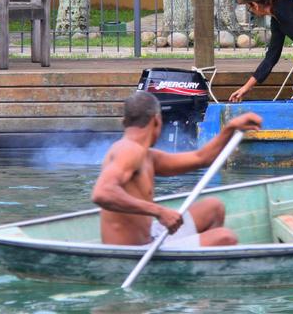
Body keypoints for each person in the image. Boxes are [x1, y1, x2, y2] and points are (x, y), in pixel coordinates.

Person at [91, 91, 262, 248]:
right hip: (133, 253)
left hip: (150, 236)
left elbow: (201, 158)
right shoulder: (128, 150)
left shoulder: (147, 156)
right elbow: (102, 193)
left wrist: (230, 128)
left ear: (124, 122)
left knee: (213, 207)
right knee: (226, 238)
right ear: (157, 120)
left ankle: (198, 266)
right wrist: (160, 211)